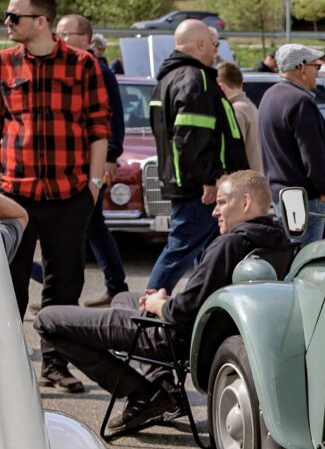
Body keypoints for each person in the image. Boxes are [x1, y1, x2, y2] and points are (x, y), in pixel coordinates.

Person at [34, 170, 289, 435]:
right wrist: (165, 301)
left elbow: (183, 312)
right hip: (205, 332)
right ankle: (162, 388)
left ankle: (143, 394)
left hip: (171, 336)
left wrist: (160, 306)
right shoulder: (278, 242)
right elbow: (199, 301)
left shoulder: (230, 244)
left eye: (222, 202)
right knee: (123, 297)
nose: (214, 211)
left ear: (245, 203)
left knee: (47, 321)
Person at [0, 0, 110, 393]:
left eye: (14, 16)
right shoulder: (0, 63)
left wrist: (94, 184)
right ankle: (8, 366)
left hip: (70, 194)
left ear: (41, 21)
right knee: (7, 284)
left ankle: (55, 364)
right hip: (15, 195)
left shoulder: (83, 64)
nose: (7, 22)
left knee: (65, 284)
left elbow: (99, 126)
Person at [146, 19, 250, 292]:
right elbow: (191, 137)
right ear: (202, 44)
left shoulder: (167, 79)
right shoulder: (196, 78)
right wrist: (211, 178)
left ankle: (198, 309)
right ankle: (145, 314)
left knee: (210, 255)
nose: (216, 50)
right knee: (181, 249)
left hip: (187, 183)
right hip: (199, 189)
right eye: (214, 44)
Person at [57, 13, 129, 307]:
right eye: (57, 33)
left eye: (65, 34)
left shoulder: (98, 69)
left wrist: (110, 157)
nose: (59, 39)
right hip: (70, 161)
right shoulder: (64, 67)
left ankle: (115, 287)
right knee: (88, 225)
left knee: (90, 223)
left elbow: (114, 116)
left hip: (92, 162)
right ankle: (64, 289)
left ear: (84, 38)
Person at [259, 43, 325, 244]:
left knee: (291, 256)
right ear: (302, 67)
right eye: (315, 67)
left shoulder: (269, 96)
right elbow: (312, 155)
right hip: (304, 198)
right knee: (305, 262)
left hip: (282, 194)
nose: (317, 73)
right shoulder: (300, 102)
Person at [218, 62, 263, 175]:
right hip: (257, 180)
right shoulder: (249, 106)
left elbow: (234, 154)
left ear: (221, 87)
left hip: (245, 184)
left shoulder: (235, 111)